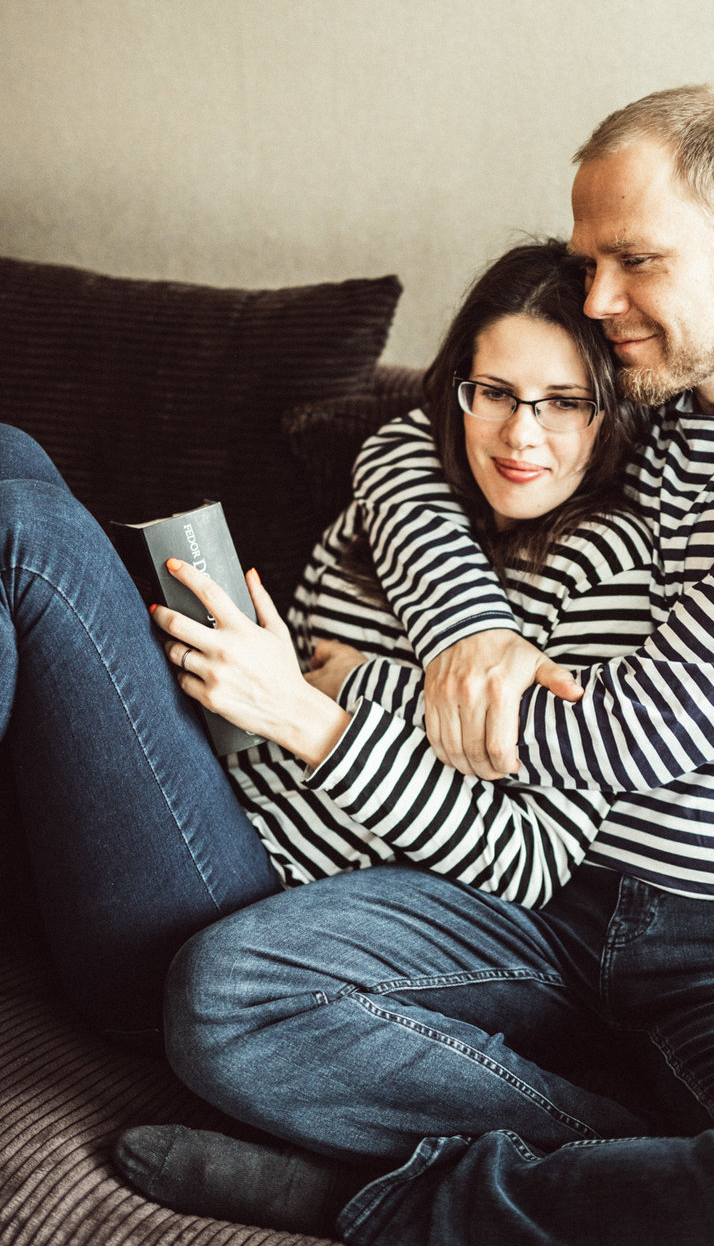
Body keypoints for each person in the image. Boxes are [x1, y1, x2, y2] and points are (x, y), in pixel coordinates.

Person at [118, 88, 714, 1246]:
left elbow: (627, 732)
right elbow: (411, 444)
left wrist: (362, 685)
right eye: (588, 263)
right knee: (224, 996)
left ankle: (366, 1199)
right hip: (540, 904)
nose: (598, 301)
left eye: (637, 261)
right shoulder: (651, 402)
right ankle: (631, 1152)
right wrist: (472, 625)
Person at [0, 239, 646, 1041]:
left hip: (250, 908)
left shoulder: (608, 567)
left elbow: (529, 862)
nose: (522, 435)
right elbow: (271, 701)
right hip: (189, 801)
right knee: (10, 454)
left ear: (608, 409)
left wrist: (325, 706)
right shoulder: (405, 496)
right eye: (497, 392)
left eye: (563, 401)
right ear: (458, 390)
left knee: (33, 532)